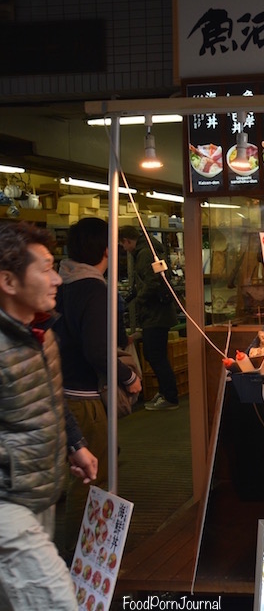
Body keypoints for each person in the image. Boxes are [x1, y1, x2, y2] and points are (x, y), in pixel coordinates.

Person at [0, 221, 98, 610]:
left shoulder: (42, 333)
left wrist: (75, 443)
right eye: (44, 269)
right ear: (8, 281)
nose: (57, 278)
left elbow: (52, 400)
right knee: (56, 598)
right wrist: (16, 464)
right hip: (9, 501)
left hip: (41, 493)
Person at [55, 217, 142, 561]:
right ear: (107, 250)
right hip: (83, 399)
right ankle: (82, 555)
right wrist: (126, 376)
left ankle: (81, 549)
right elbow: (97, 350)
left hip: (63, 393)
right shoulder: (93, 289)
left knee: (84, 473)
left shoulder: (64, 284)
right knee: (92, 478)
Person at [118, 225, 179, 411]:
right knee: (155, 354)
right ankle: (166, 392)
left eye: (123, 245)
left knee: (155, 355)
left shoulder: (144, 253)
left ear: (127, 241)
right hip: (158, 312)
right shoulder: (150, 249)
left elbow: (152, 282)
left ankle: (169, 396)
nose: (124, 249)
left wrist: (138, 301)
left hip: (156, 313)